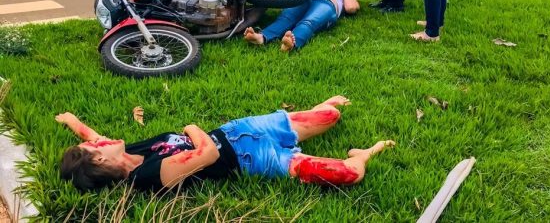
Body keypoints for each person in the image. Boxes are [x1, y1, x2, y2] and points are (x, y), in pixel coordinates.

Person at [57, 96, 394, 192]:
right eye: (98, 148)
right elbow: (208, 153)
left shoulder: (127, 153)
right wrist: (192, 128)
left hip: (241, 129)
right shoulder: (147, 175)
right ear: (100, 162)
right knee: (348, 175)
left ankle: (318, 111)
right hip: (252, 158)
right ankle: (364, 153)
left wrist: (72, 121)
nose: (104, 141)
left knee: (332, 114)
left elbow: (93, 137)